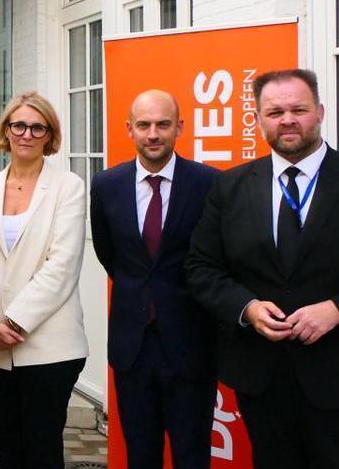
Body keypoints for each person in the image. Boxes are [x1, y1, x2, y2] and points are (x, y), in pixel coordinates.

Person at [186, 68, 339, 469]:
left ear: (319, 111)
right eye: (275, 111)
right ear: (257, 119)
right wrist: (246, 307)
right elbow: (201, 268)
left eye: (298, 109)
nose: (287, 119)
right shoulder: (229, 187)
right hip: (263, 381)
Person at [90, 90, 218, 469]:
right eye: (144, 125)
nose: (153, 134)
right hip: (133, 346)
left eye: (163, 124)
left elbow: (214, 258)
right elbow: (110, 254)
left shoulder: (209, 183)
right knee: (140, 454)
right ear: (129, 129)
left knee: (192, 455)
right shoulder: (106, 185)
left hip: (190, 344)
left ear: (179, 127)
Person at [0, 91, 88, 469]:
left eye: (37, 127)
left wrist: (12, 322)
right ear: (6, 131)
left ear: (50, 135)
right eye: (19, 125)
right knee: (8, 447)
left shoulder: (69, 186)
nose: (27, 134)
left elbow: (62, 265)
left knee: (43, 449)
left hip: (49, 345)